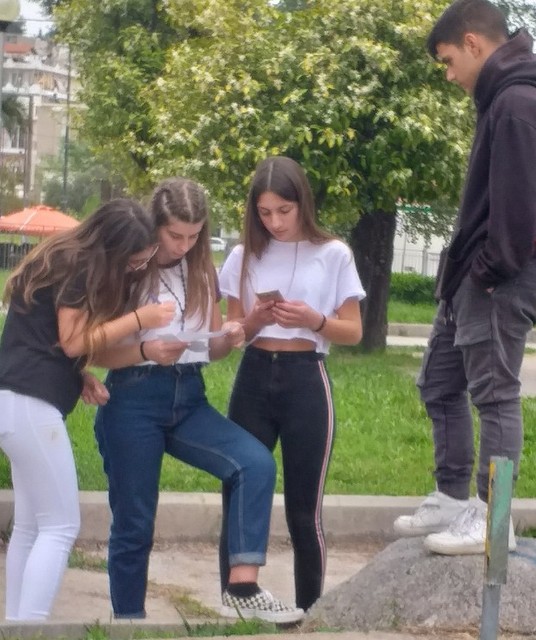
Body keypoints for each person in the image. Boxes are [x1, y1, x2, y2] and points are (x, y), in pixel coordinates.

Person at [93, 176, 303, 623]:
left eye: (193, 236)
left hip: (188, 396)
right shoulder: (128, 266)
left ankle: (242, 589)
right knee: (134, 521)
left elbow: (212, 349)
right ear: (154, 225)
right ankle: (129, 622)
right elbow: (94, 352)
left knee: (255, 463)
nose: (183, 246)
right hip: (132, 396)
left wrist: (235, 332)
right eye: (175, 235)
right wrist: (146, 350)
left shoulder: (201, 270)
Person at [394, 0, 536, 555]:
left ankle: (491, 520)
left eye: (449, 61)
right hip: (470, 277)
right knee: (438, 382)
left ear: (473, 43)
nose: (449, 75)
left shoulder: (518, 101)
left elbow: (520, 211)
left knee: (495, 396)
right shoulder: (501, 97)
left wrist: (489, 272)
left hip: (497, 278)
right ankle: (453, 498)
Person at [0, 198, 174, 621]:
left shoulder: (62, 257)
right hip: (31, 406)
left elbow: (42, 341)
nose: (138, 266)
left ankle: (18, 625)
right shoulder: (77, 266)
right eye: (134, 259)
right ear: (112, 248)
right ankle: (31, 627)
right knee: (60, 526)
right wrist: (139, 318)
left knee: (31, 526)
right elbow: (74, 341)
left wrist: (78, 376)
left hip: (14, 400)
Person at [218, 156, 365, 612]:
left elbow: (353, 331)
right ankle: (235, 606)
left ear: (302, 202)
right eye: (264, 212)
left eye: (284, 210)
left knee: (304, 509)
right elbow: (233, 331)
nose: (275, 222)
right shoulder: (243, 255)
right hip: (254, 375)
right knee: (238, 494)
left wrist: (313, 319)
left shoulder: (333, 252)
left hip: (306, 378)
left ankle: (310, 613)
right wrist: (254, 321)